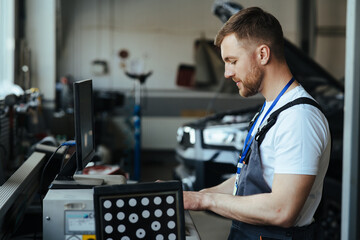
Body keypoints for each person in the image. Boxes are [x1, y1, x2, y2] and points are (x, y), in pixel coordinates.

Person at [183, 7, 331, 240]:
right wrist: (192, 197)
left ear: (263, 54)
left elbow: (282, 210)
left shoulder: (299, 118)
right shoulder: (272, 109)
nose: (227, 73)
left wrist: (205, 200)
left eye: (232, 61)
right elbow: (244, 181)